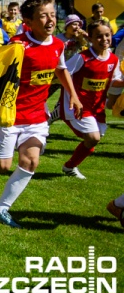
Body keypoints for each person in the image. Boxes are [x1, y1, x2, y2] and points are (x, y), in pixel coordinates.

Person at [0, 0, 83, 228]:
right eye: (43, 16)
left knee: (31, 161)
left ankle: (0, 209)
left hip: (37, 116)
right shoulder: (18, 45)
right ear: (28, 21)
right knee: (2, 167)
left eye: (52, 14)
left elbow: (61, 70)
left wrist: (74, 96)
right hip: (10, 116)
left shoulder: (58, 44)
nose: (50, 20)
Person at [55, 20, 121, 179]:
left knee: (93, 140)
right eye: (99, 36)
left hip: (97, 107)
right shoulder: (82, 58)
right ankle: (61, 111)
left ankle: (69, 167)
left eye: (107, 35)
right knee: (93, 137)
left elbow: (114, 81)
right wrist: (72, 96)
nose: (104, 39)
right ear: (90, 38)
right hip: (78, 106)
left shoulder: (113, 59)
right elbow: (62, 72)